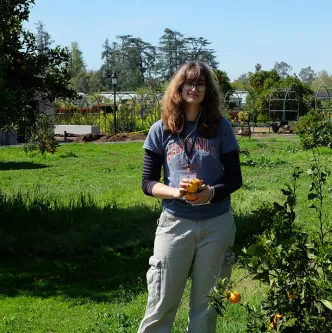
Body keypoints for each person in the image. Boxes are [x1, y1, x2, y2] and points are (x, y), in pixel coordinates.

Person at [138, 61, 242, 333]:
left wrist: (210, 193)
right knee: (160, 303)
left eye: (200, 83)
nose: (194, 88)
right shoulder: (161, 129)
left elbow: (234, 179)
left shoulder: (221, 127)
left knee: (206, 308)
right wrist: (176, 192)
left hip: (216, 225)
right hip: (175, 223)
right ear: (179, 87)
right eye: (189, 83)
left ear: (208, 89)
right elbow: (148, 183)